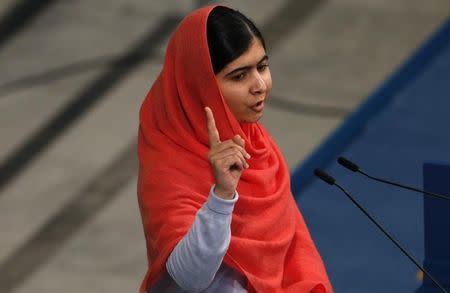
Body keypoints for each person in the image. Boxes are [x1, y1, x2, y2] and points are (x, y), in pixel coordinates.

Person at [137, 5, 333, 293]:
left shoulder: (256, 142)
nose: (260, 86)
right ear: (200, 84)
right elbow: (189, 278)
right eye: (239, 76)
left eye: (262, 67)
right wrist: (222, 195)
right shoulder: (169, 168)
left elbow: (293, 253)